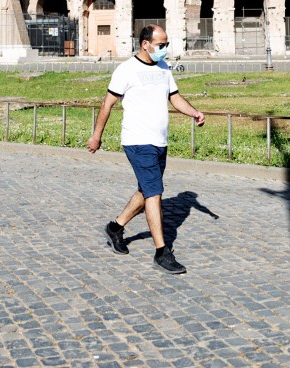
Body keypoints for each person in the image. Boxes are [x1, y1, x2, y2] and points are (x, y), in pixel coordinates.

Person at [86, 24, 205, 275]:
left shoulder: (163, 68)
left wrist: (194, 112)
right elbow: (107, 104)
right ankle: (162, 252)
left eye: (166, 44)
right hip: (137, 141)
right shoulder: (126, 70)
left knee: (147, 189)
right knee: (154, 194)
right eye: (161, 45)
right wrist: (96, 136)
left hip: (159, 141)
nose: (164, 49)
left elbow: (174, 97)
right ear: (145, 44)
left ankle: (115, 227)